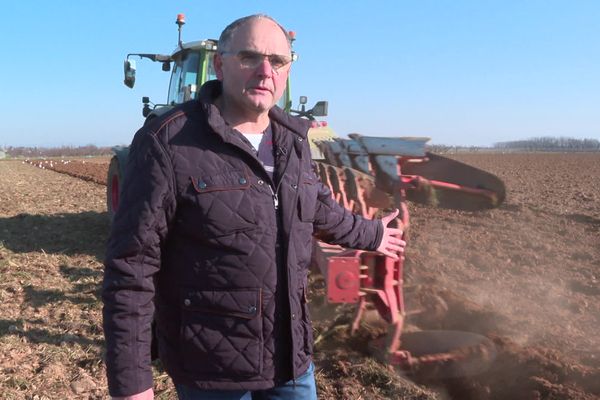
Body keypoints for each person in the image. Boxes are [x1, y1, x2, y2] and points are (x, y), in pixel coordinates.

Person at [102, 14, 405, 400]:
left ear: (288, 68)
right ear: (220, 64)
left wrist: (372, 233)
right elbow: (132, 266)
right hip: (212, 368)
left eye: (278, 61)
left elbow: (318, 206)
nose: (265, 71)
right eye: (250, 57)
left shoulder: (294, 140)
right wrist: (131, 383)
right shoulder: (168, 143)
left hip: (291, 358)